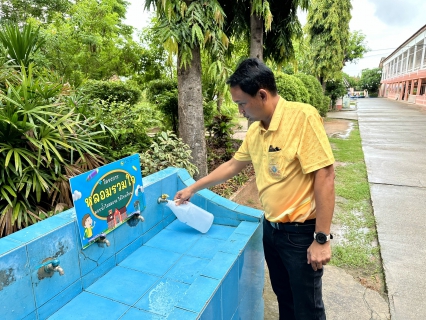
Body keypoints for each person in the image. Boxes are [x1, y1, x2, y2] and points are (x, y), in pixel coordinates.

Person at [174, 58, 335, 320]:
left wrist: (321, 239)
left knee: (308, 308)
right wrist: (194, 188)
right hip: (271, 230)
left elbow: (325, 175)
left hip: (301, 234)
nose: (240, 112)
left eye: (241, 104)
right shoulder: (256, 131)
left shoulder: (302, 117)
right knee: (284, 298)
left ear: (262, 95)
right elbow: (233, 165)